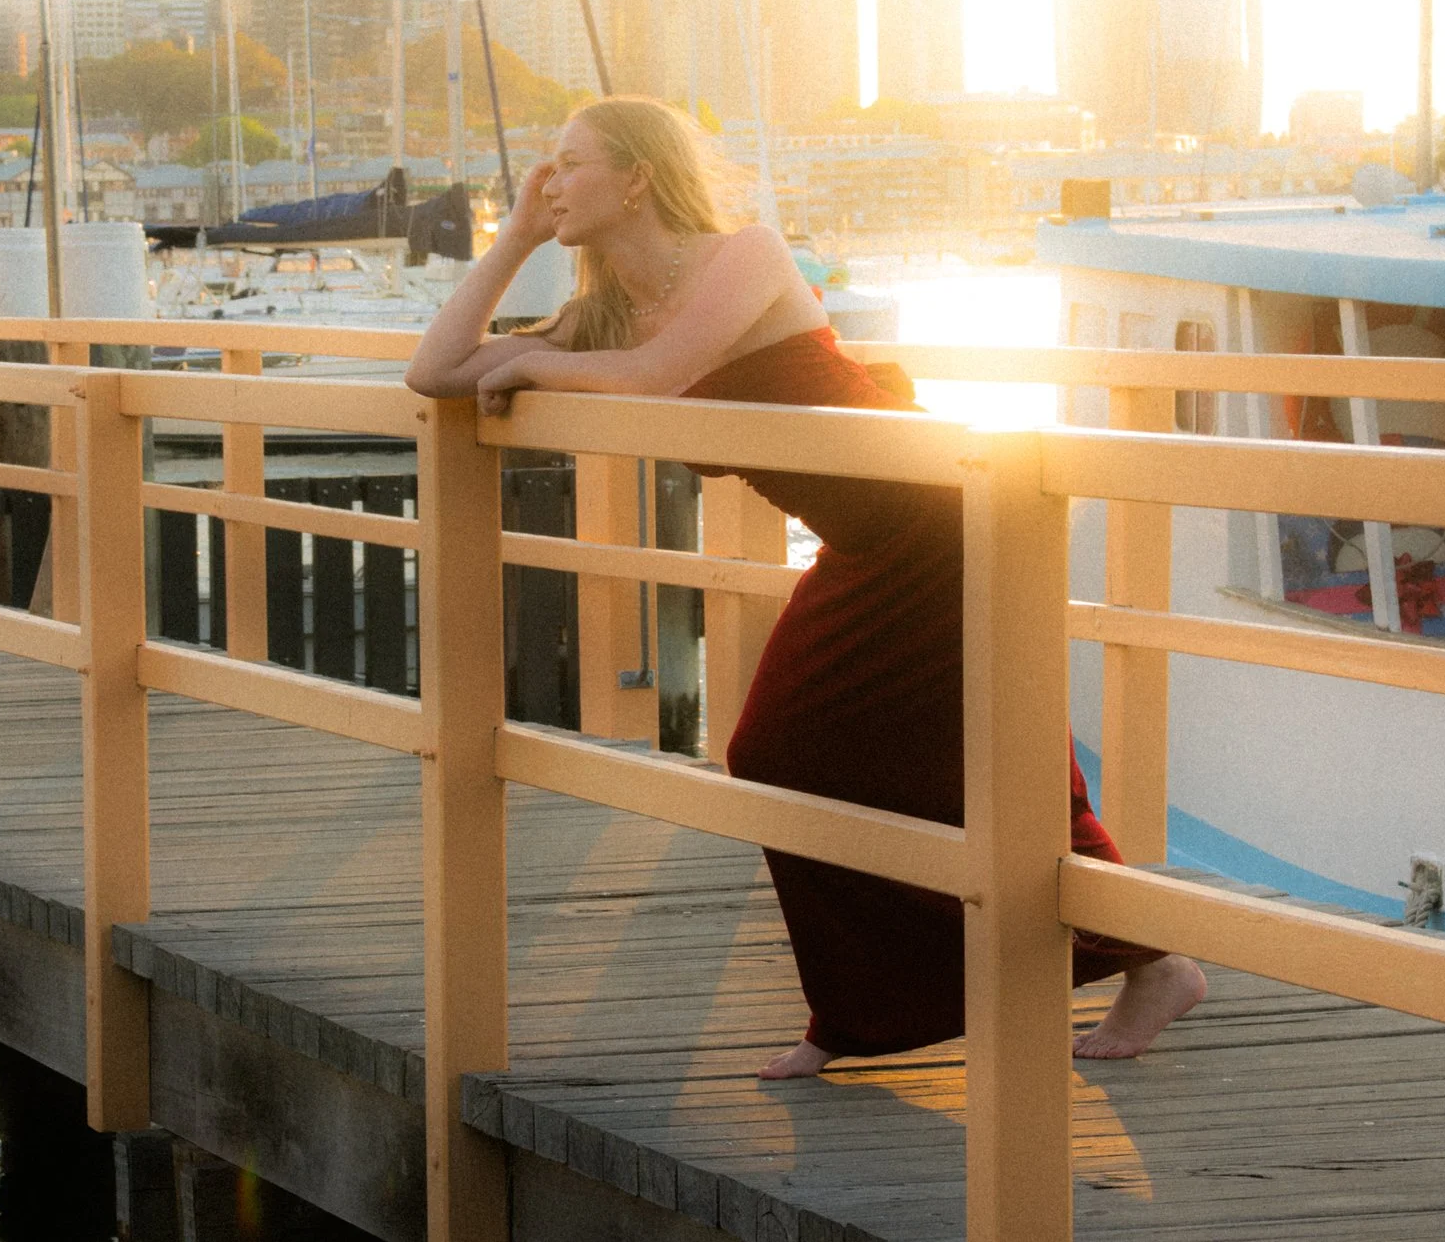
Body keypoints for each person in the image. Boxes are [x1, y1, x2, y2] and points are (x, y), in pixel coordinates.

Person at [406, 96, 1205, 1077]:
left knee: (999, 759)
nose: (546, 182)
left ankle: (1149, 964)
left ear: (636, 179)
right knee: (780, 750)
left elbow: (662, 375)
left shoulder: (743, 256)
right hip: (864, 545)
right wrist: (518, 237)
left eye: (565, 165)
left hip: (944, 518)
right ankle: (862, 1009)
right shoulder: (599, 318)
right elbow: (433, 369)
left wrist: (530, 360)